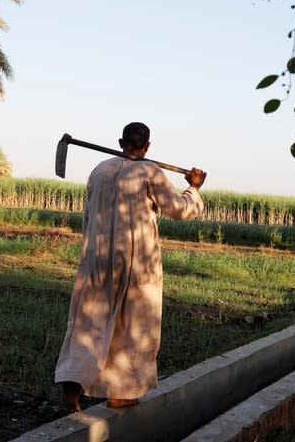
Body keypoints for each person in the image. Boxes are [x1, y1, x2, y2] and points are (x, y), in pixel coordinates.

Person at [54, 122, 207, 411]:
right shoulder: (151, 173)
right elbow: (180, 209)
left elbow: (87, 217)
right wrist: (194, 187)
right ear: (147, 146)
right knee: (134, 325)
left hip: (98, 259)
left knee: (89, 323)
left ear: (121, 141)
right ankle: (121, 393)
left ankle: (72, 390)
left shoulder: (99, 171)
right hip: (137, 262)